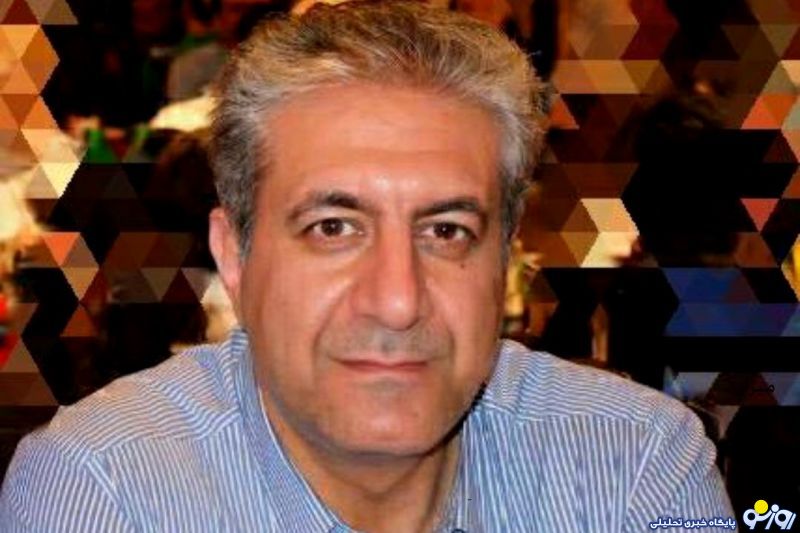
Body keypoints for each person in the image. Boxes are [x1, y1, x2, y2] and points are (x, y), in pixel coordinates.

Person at [0, 1, 735, 531]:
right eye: (333, 228)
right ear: (235, 256)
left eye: (446, 231)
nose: (396, 300)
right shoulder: (106, 489)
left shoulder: (636, 465)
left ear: (504, 258)